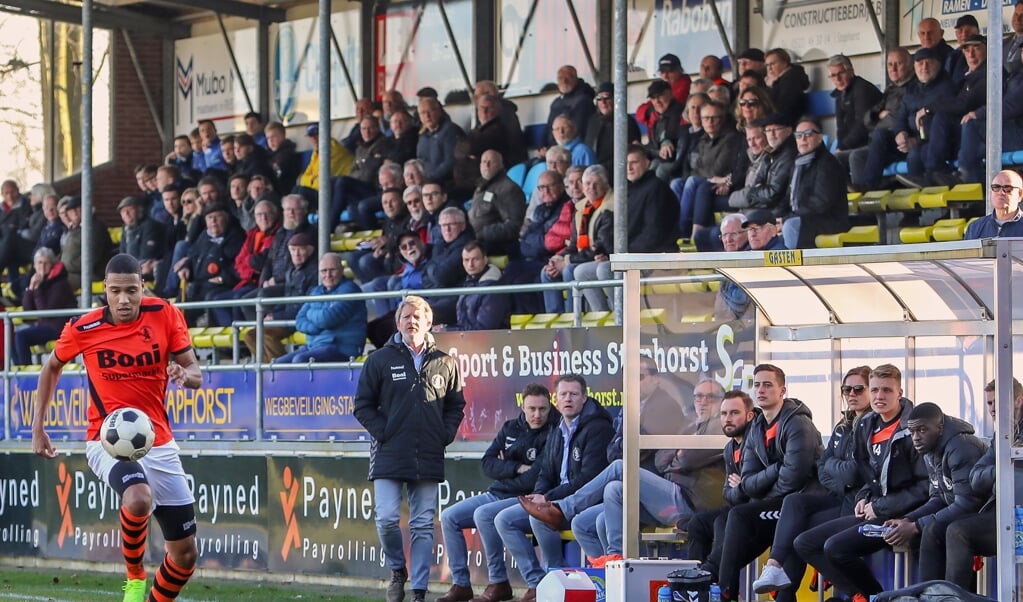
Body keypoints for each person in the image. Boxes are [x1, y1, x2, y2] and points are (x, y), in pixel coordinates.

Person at [31, 253, 202, 602]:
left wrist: (186, 376)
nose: (123, 300)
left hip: (158, 441)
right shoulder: (84, 327)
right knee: (138, 498)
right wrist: (39, 427)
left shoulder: (166, 314)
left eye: (131, 291)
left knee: (184, 556)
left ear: (143, 288)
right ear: (104, 291)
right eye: (115, 291)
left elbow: (195, 372)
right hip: (105, 439)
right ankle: (135, 578)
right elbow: (51, 368)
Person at [520, 377, 724, 566]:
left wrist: (678, 456)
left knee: (619, 468)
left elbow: (685, 458)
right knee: (596, 509)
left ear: (722, 401)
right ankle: (614, 567)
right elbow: (661, 459)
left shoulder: (718, 427)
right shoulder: (690, 425)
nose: (703, 401)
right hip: (666, 497)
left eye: (710, 397)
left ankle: (563, 508)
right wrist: (677, 456)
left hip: (690, 501)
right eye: (698, 396)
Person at [353, 296, 465, 602]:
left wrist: (444, 434)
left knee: (422, 524)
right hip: (389, 451)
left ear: (429, 322)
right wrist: (384, 432)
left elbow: (456, 405)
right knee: (387, 518)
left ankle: (418, 590)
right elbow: (362, 406)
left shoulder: (446, 362)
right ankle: (397, 570)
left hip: (429, 452)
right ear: (397, 322)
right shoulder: (379, 360)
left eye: (418, 317)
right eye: (406, 317)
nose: (412, 321)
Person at [793, 364, 929, 601]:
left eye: (886, 390)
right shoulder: (866, 425)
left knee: (835, 547)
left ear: (900, 393)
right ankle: (865, 595)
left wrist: (879, 506)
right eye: (875, 390)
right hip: (873, 511)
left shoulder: (913, 429)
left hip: (902, 516)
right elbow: (866, 475)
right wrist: (863, 497)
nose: (879, 397)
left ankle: (877, 597)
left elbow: (926, 487)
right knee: (805, 542)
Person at [700, 364, 823, 602]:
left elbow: (792, 479)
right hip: (774, 504)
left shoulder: (798, 424)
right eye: (757, 385)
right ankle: (712, 580)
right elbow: (748, 481)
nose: (761, 390)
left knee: (739, 516)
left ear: (782, 390)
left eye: (768, 385)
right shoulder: (756, 426)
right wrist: (774, 471)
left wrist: (760, 486)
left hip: (803, 504)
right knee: (721, 519)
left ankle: (721, 589)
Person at [751, 366, 873, 601]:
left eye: (859, 389)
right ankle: (774, 567)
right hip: (839, 496)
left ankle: (858, 592)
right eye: (846, 389)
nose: (851, 394)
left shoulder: (871, 424)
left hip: (858, 503)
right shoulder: (843, 425)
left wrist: (841, 475)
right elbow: (823, 467)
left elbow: (856, 472)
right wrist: (841, 478)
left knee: (802, 534)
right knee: (794, 503)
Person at [493, 374, 614, 602]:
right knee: (503, 520)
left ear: (585, 398)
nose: (568, 399)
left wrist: (547, 497)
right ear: (556, 400)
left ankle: (557, 579)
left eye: (574, 394)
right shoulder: (558, 427)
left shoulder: (598, 428)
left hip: (584, 503)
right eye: (563, 394)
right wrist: (540, 494)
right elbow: (546, 471)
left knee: (539, 518)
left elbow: (589, 479)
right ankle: (538, 584)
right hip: (554, 501)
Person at [435, 383, 559, 602]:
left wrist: (508, 468)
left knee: (484, 514)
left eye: (542, 409)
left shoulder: (554, 432)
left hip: (524, 498)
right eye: (532, 409)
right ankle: (461, 585)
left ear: (550, 407)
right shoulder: (511, 427)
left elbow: (535, 478)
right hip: (497, 492)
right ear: (523, 406)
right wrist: (516, 467)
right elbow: (487, 464)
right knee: (448, 516)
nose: (537, 415)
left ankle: (500, 582)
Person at [889, 402, 987, 584]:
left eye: (922, 430)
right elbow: (938, 498)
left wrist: (916, 526)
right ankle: (931, 594)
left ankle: (950, 596)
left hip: (989, 515)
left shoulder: (962, 447)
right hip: (964, 513)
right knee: (929, 530)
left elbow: (968, 503)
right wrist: (907, 520)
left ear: (940, 428)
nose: (916, 438)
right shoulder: (929, 450)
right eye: (912, 432)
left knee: (940, 530)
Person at [945, 377, 1023, 590]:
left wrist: (1002, 471)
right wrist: (1003, 470)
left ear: (1018, 400)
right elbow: (976, 478)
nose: (993, 408)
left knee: (957, 532)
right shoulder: (1003, 432)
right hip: (1005, 513)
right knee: (946, 530)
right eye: (989, 403)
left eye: (998, 401)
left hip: (1016, 515)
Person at [684, 390, 756, 564]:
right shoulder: (730, 448)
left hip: (756, 510)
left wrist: (740, 487)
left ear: (749, 416)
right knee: (697, 523)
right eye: (724, 413)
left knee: (723, 522)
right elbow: (728, 492)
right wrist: (738, 488)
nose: (728, 418)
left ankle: (720, 585)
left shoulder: (755, 442)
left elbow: (754, 486)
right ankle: (696, 584)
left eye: (734, 413)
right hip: (736, 506)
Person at [273, 252, 366, 363]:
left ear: (341, 270)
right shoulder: (316, 291)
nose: (328, 275)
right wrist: (316, 327)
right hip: (315, 347)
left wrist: (311, 313)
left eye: (332, 270)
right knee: (278, 364)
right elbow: (300, 320)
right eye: (324, 271)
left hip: (341, 348)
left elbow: (327, 320)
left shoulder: (350, 290)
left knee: (300, 361)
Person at [780, 116, 849, 249]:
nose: (803, 139)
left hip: (828, 221)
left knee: (791, 226)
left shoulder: (828, 164)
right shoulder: (797, 164)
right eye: (799, 136)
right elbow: (787, 197)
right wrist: (777, 217)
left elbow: (820, 203)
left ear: (820, 137)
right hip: (803, 217)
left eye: (808, 134)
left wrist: (788, 218)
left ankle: (791, 267)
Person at [13, 247, 76, 366]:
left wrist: (36, 290)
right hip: (45, 325)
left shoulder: (60, 283)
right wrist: (30, 288)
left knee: (21, 337)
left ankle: (26, 377)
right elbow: (27, 312)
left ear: (52, 264)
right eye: (39, 263)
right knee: (11, 337)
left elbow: (46, 312)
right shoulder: (40, 282)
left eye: (46, 263)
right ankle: (20, 371)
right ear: (35, 265)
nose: (42, 266)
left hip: (60, 327)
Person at [467, 150, 526, 257]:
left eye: (491, 162)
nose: (487, 165)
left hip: (493, 245)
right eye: (484, 162)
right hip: (474, 239)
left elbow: (514, 226)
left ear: (501, 165)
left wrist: (482, 233)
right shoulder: (481, 186)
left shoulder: (509, 189)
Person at [442, 241, 510, 331]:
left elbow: (484, 329)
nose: (470, 264)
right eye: (466, 260)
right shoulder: (469, 282)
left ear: (485, 260)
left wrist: (448, 330)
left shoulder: (494, 288)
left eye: (475, 259)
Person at [829, 55, 882, 159]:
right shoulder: (839, 93)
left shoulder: (862, 89)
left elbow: (862, 124)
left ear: (851, 71)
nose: (837, 79)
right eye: (833, 75)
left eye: (841, 73)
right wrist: (840, 147)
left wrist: (843, 147)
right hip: (853, 145)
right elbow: (840, 128)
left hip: (870, 143)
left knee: (840, 159)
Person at [544, 65, 596, 149]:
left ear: (576, 79)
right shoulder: (556, 102)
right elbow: (548, 128)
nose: (564, 81)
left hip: (570, 149)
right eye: (560, 78)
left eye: (568, 78)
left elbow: (578, 131)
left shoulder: (584, 100)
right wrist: (542, 147)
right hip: (553, 149)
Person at [965, 170, 1023, 239]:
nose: (1001, 192)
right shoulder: (975, 228)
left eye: (1007, 188)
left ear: (1020, 194)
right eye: (996, 187)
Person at [764, 48, 809, 126]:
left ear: (784, 63)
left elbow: (782, 108)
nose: (769, 68)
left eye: (772, 64)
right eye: (767, 65)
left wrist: (771, 87)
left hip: (787, 125)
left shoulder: (791, 79)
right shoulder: (781, 79)